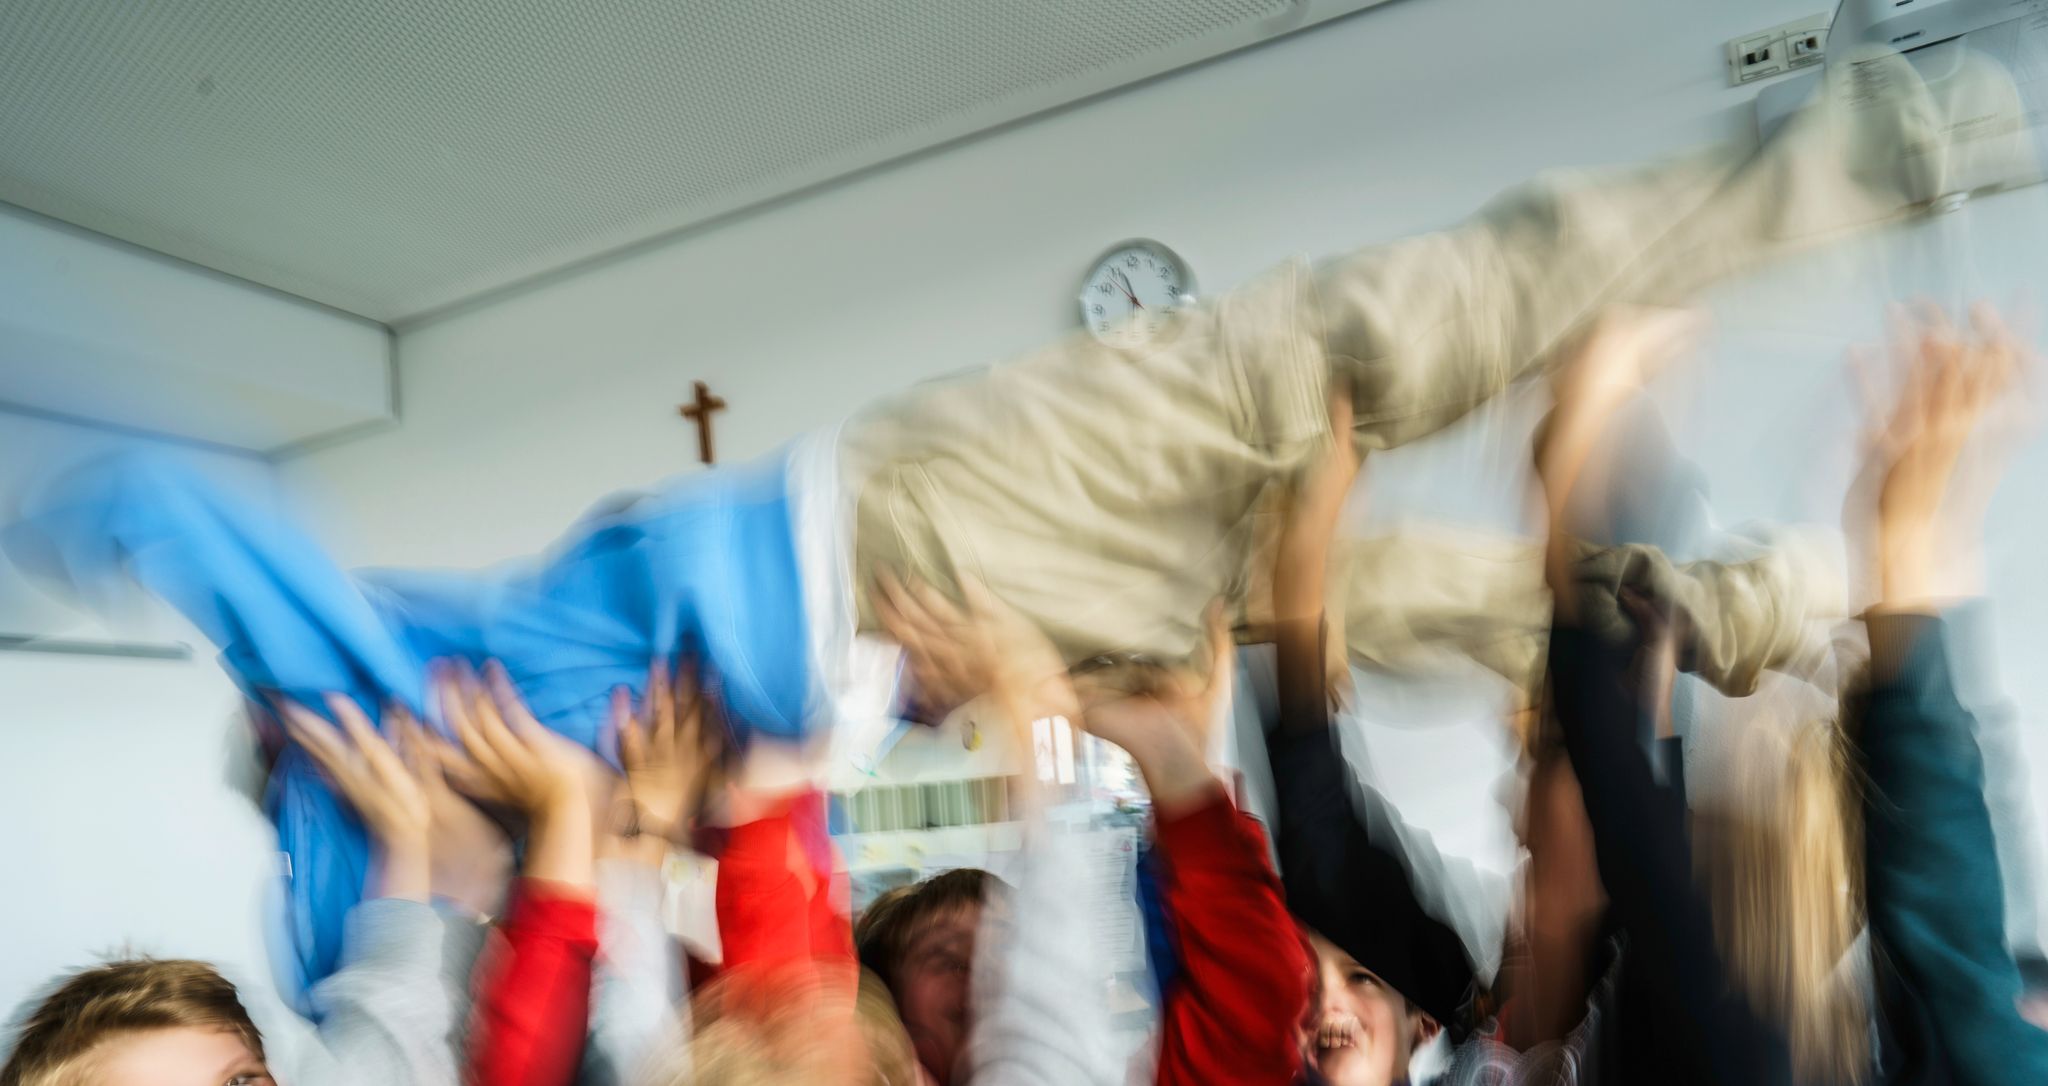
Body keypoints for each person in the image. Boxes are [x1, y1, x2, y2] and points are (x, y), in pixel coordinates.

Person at [5, 40, 2014, 1001]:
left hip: (902, 638)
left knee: (1345, 602)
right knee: (1345, 351)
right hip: (900, 534)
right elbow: (183, 504)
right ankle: (1890, 138)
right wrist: (75, 535)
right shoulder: (368, 708)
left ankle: (1750, 612)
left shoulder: (415, 864)